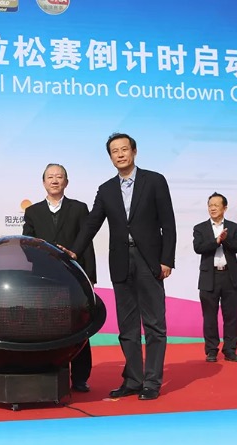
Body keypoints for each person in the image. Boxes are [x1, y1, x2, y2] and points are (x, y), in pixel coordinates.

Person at [67, 132, 176, 401]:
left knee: (154, 324)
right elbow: (92, 223)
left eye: (124, 149)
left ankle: (152, 381)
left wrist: (167, 260)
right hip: (120, 262)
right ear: (110, 157)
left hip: (149, 261)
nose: (120, 154)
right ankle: (134, 380)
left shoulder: (154, 181)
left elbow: (168, 223)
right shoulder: (106, 189)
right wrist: (74, 250)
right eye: (114, 151)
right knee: (127, 327)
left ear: (134, 151)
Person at [22, 163, 97, 393]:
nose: (55, 180)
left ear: (66, 181)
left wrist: (89, 278)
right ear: (43, 182)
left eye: (59, 177)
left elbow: (87, 245)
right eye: (50, 177)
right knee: (47, 328)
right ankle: (51, 373)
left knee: (79, 327)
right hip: (44, 280)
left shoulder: (79, 208)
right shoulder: (33, 212)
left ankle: (81, 377)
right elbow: (27, 246)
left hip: (74, 279)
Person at [193, 192, 237, 363]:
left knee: (231, 316)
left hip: (229, 276)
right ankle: (211, 350)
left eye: (216, 205)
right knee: (209, 316)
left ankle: (230, 349)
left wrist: (225, 239)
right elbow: (198, 248)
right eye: (210, 205)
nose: (212, 208)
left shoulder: (234, 227)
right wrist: (216, 241)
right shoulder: (200, 228)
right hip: (209, 276)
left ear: (225, 208)